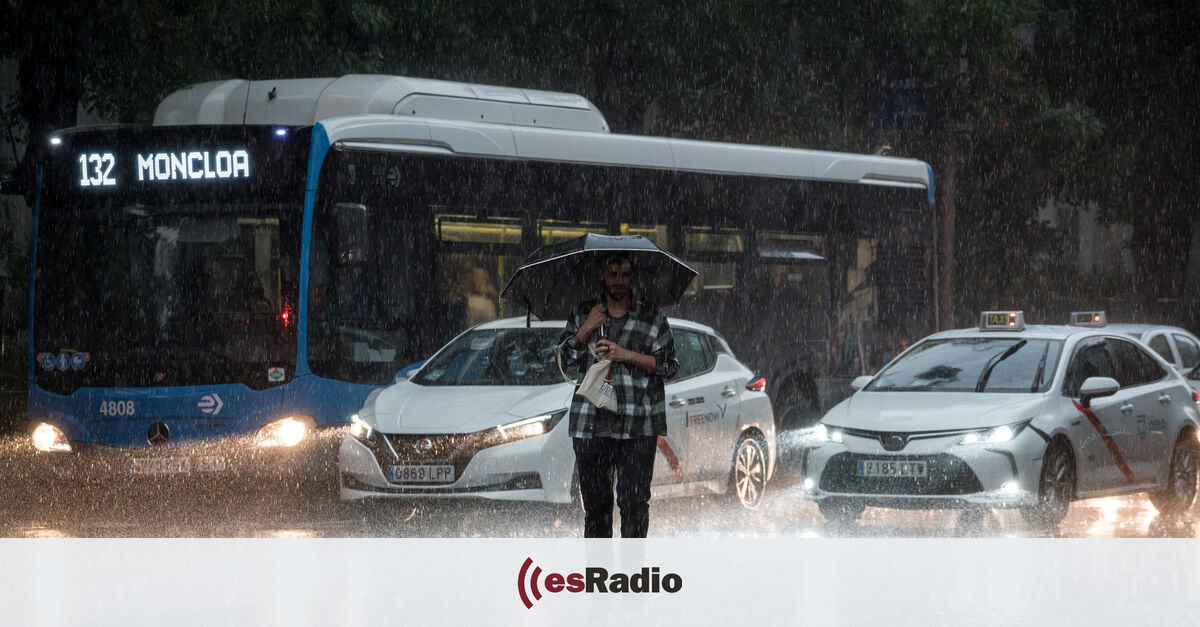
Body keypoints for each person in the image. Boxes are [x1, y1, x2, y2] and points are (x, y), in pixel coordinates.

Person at [559, 253, 679, 538]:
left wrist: (626, 355)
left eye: (624, 274)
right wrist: (586, 328)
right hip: (591, 426)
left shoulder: (651, 316)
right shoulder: (583, 313)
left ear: (632, 275)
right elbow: (564, 365)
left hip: (638, 426)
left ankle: (631, 578)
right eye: (613, 274)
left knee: (635, 505)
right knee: (596, 509)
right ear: (601, 274)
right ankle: (599, 580)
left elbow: (669, 365)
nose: (619, 281)